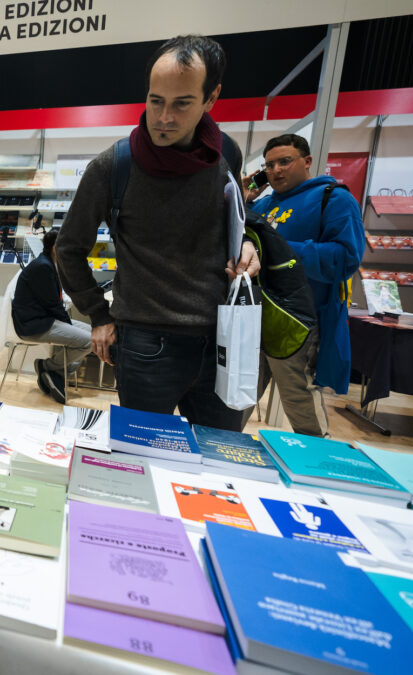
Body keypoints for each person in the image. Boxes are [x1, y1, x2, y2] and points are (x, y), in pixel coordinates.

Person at [54, 35, 260, 432]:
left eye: (182, 103)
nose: (164, 117)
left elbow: (238, 221)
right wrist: (98, 314)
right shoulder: (114, 165)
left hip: (225, 338)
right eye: (155, 100)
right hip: (146, 345)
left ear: (211, 98)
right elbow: (69, 247)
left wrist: (249, 244)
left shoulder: (226, 154)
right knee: (143, 460)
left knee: (219, 458)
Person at [242, 133, 364, 436]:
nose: (276, 170)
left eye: (285, 161)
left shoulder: (334, 198)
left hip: (298, 320)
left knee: (298, 396)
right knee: (238, 391)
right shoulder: (264, 203)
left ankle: (320, 467)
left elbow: (346, 258)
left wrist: (281, 250)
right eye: (269, 165)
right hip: (256, 315)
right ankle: (219, 450)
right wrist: (243, 199)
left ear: (307, 161)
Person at [12, 228, 91, 404]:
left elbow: (53, 304)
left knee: (91, 334)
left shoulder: (47, 264)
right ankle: (47, 367)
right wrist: (69, 326)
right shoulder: (43, 267)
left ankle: (55, 371)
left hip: (44, 319)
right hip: (34, 325)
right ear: (56, 247)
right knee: (89, 341)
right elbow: (53, 305)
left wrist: (68, 325)